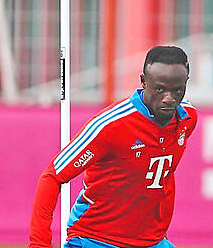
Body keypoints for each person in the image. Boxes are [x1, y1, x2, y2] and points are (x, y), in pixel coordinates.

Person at [28, 45, 198, 248]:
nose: (169, 99)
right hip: (96, 240)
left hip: (153, 242)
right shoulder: (109, 125)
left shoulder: (188, 118)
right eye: (160, 89)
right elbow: (52, 176)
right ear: (143, 81)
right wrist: (39, 245)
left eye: (177, 90)